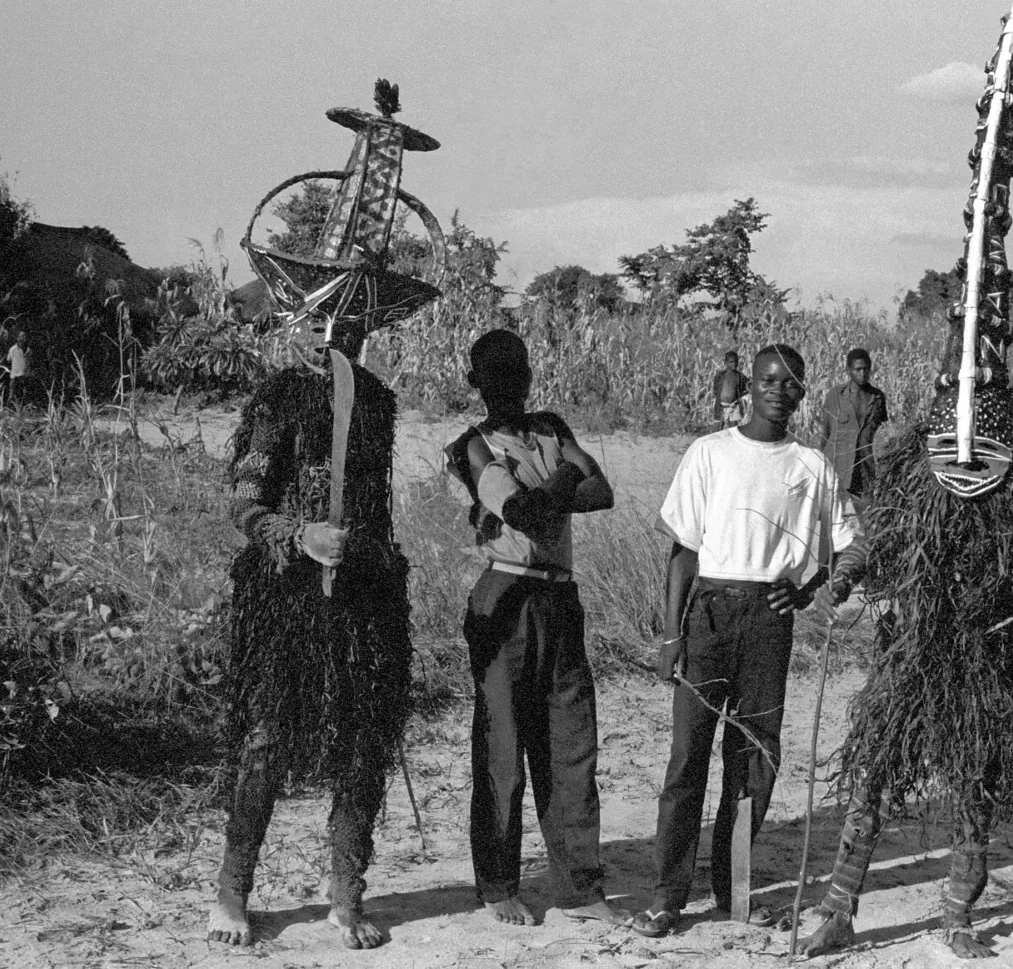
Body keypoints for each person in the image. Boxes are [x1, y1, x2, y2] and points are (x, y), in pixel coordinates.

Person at [795, 385, 1013, 960]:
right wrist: (843, 579)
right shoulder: (914, 473)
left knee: (975, 785)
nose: (967, 457)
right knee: (873, 778)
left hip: (987, 658)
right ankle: (839, 909)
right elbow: (872, 541)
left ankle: (959, 914)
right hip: (913, 650)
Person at [632, 344, 860, 938]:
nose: (779, 390)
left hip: (767, 621)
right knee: (687, 759)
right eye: (768, 380)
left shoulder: (813, 467)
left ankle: (733, 892)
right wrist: (670, 635)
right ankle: (666, 895)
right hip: (708, 612)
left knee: (755, 758)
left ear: (804, 392)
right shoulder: (709, 452)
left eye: (791, 383)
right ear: (748, 386)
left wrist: (808, 588)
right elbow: (682, 552)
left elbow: (847, 543)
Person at [208, 316, 413, 950]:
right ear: (307, 322)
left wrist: (371, 556)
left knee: (361, 745)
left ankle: (346, 896)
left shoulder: (376, 400)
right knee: (267, 739)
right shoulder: (281, 396)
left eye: (351, 324)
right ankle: (231, 890)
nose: (337, 336)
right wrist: (300, 537)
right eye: (326, 323)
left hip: (364, 603)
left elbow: (372, 501)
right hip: (286, 600)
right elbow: (244, 504)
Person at [443, 329, 628, 928]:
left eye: (517, 370)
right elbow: (525, 512)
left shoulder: (550, 424)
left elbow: (602, 492)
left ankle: (578, 884)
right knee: (503, 750)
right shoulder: (468, 447)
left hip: (558, 595)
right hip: (505, 596)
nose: (509, 383)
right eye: (495, 374)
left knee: (572, 745)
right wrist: (564, 480)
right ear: (477, 383)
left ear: (529, 374)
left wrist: (549, 490)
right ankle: (498, 883)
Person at [817, 348, 888, 505]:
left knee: (864, 522)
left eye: (866, 369)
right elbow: (826, 434)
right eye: (858, 369)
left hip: (864, 473)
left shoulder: (877, 398)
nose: (863, 373)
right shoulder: (834, 396)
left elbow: (881, 435)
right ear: (848, 370)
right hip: (838, 470)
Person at [712, 350, 746, 430]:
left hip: (734, 407)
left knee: (734, 431)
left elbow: (747, 386)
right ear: (725, 363)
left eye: (736, 362)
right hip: (720, 407)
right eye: (731, 362)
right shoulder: (720, 376)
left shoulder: (740, 376)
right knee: (717, 431)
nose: (734, 364)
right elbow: (715, 390)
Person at [6, 331, 30, 404]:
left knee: (24, 391)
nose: (24, 338)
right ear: (17, 338)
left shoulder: (28, 350)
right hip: (15, 374)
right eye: (22, 336)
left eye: (24, 336)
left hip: (25, 373)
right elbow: (8, 359)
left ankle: (23, 406)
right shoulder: (13, 349)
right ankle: (10, 405)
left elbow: (29, 361)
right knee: (12, 391)